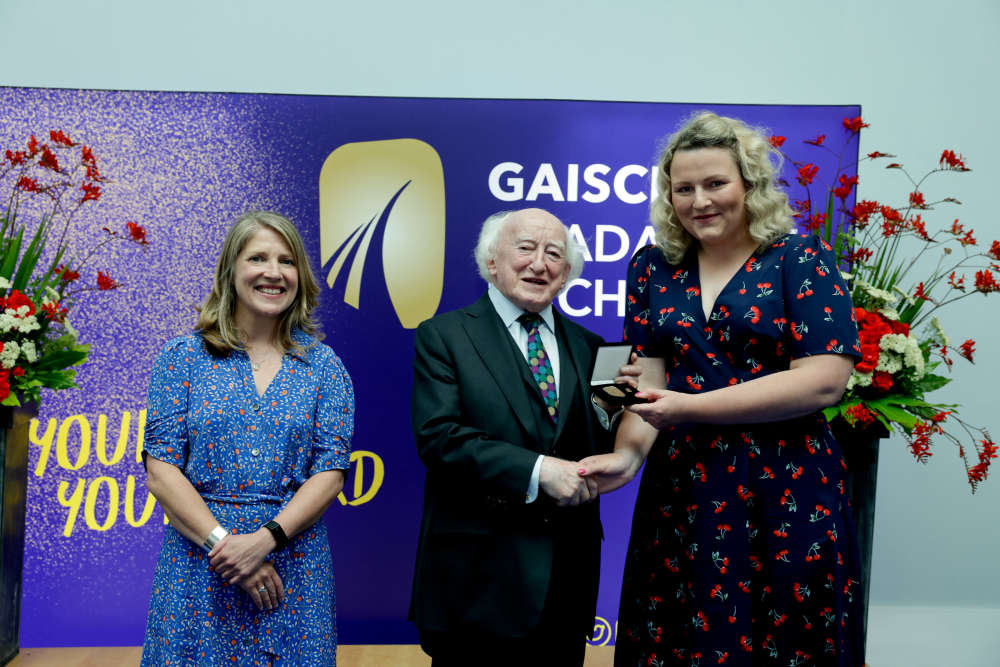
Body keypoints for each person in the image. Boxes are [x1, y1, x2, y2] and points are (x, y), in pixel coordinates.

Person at [579, 112, 866, 666]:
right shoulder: (651, 268)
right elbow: (648, 382)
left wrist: (692, 407)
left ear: (749, 185)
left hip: (788, 483)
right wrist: (627, 456)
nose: (699, 201)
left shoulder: (799, 260)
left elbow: (825, 381)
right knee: (683, 635)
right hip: (685, 488)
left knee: (788, 639)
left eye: (715, 183)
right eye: (683, 188)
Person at [409, 208, 631, 667]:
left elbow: (597, 453)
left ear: (567, 273)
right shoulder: (444, 336)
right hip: (475, 585)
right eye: (525, 248)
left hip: (565, 588)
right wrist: (537, 470)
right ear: (492, 261)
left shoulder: (595, 349)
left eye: (554, 254)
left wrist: (622, 404)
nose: (540, 263)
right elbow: (439, 436)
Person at [140, 211, 354, 665]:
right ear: (231, 270)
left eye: (286, 261)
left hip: (293, 567)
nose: (273, 273)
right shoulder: (182, 358)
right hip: (200, 565)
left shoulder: (325, 367)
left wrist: (265, 540)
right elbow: (161, 471)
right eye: (258, 258)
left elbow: (330, 473)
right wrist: (224, 545)